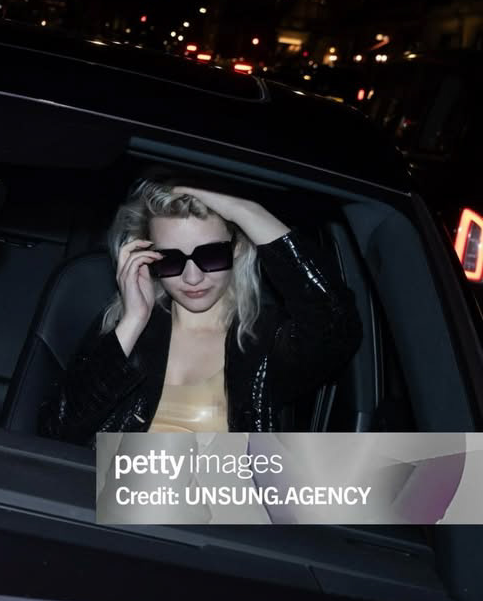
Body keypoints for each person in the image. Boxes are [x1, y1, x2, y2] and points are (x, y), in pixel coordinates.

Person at [39, 179, 361, 444]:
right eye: (171, 260)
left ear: (237, 248)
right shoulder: (125, 329)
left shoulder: (263, 341)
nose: (192, 278)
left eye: (210, 256)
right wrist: (134, 320)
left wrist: (246, 211)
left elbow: (336, 323)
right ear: (147, 257)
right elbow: (56, 432)